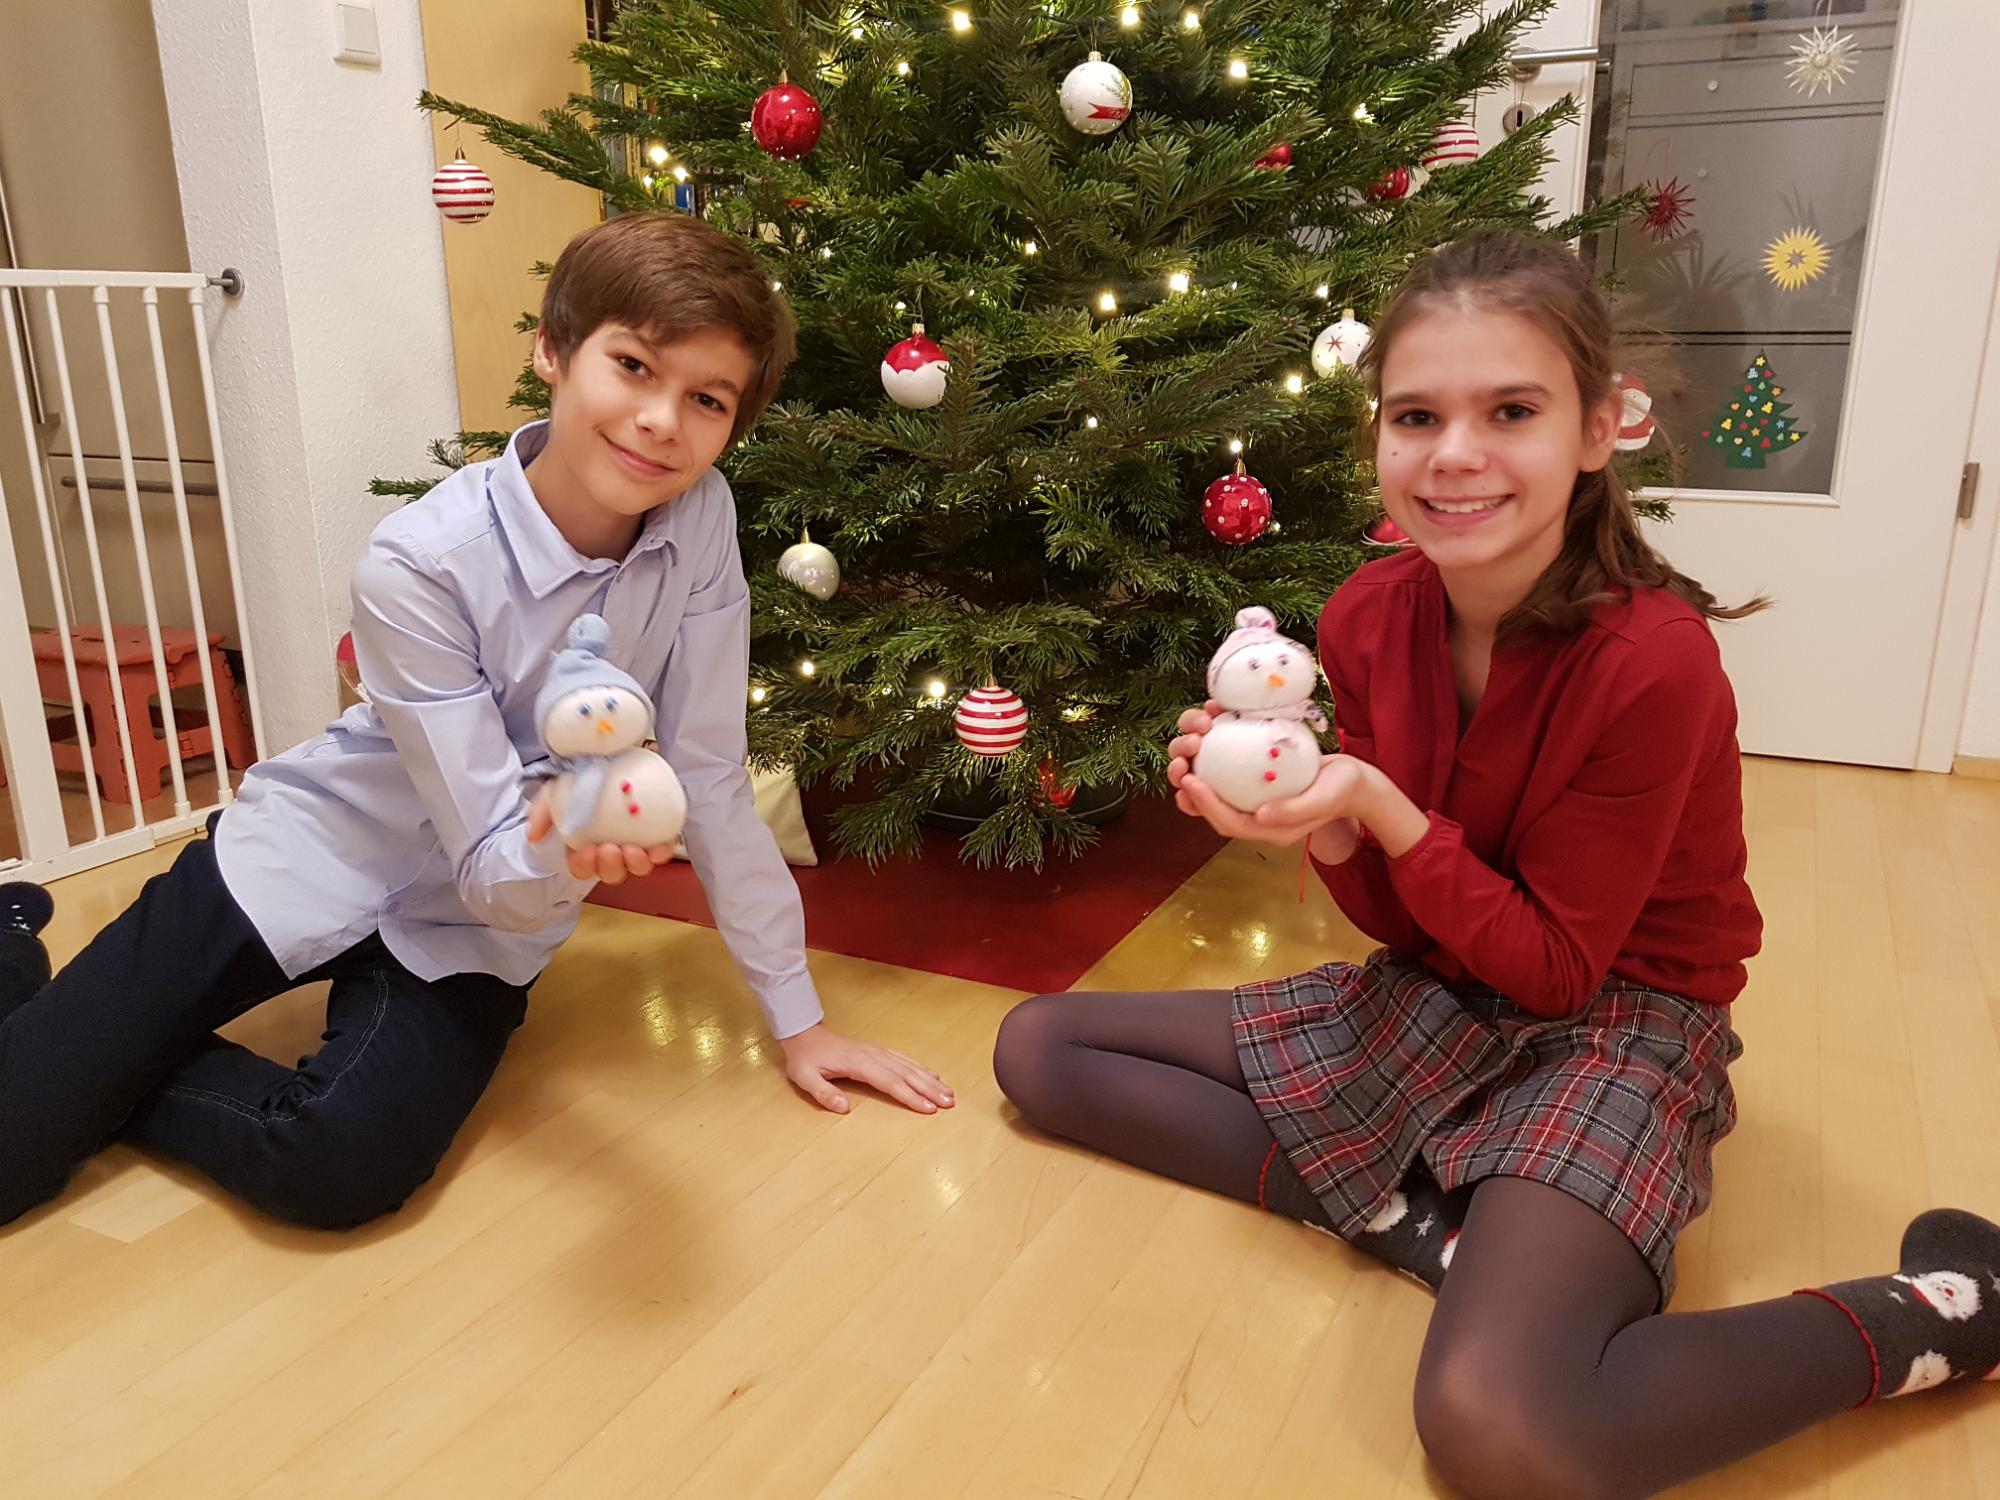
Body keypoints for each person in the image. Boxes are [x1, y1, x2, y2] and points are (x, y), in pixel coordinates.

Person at [992, 230, 2000, 1499]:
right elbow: (1405, 930)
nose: (1452, 454)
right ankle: (1429, 1226)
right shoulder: (1364, 617)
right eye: (1415, 416)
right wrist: (1319, 821)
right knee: (1041, 1049)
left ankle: (1940, 1312)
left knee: (1502, 1428)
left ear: (1596, 428)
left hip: (1618, 1017)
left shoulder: (1652, 662)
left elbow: (1559, 972)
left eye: (1509, 412)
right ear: (1375, 435)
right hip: (1448, 983)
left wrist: (1375, 804)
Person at [0, 211, 951, 1234]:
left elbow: (706, 775)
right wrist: (565, 841)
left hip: (475, 923)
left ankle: (99, 1050)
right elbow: (487, 822)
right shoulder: (419, 562)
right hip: (309, 855)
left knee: (339, 1166)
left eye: (706, 399)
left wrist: (798, 1022)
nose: (661, 421)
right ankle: (24, 969)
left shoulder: (702, 517)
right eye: (633, 365)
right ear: (552, 350)